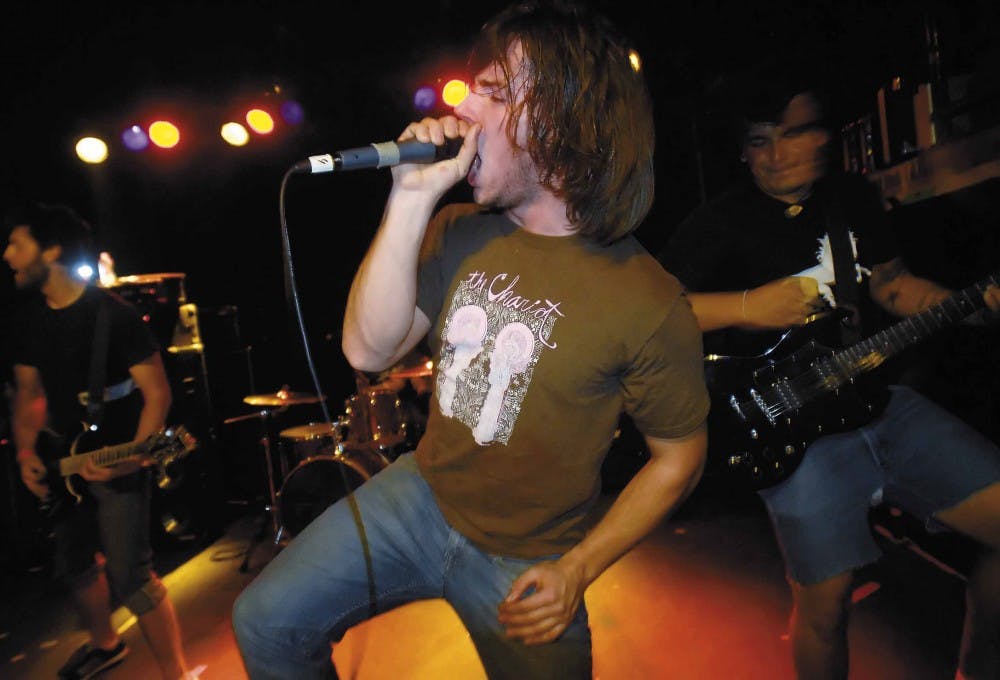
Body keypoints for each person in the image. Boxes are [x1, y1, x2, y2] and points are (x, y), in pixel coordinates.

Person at [232, 1, 709, 678]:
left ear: (568, 118)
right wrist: (409, 199)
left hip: (529, 558)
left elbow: (679, 458)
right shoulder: (458, 230)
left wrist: (578, 568)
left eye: (495, 92)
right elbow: (366, 352)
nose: (462, 107)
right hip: (418, 499)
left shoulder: (647, 298)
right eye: (470, 86)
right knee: (267, 622)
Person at [658, 79, 1000, 680]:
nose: (776, 155)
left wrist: (972, 304)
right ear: (742, 150)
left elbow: (892, 285)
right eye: (759, 142)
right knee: (825, 609)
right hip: (795, 439)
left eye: (792, 135)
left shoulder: (852, 198)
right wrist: (745, 306)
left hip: (881, 403)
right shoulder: (717, 223)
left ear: (822, 135)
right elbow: (651, 314)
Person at [3, 202, 191, 680]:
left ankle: (177, 673)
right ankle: (105, 645)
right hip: (57, 464)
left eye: (17, 244)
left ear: (52, 250)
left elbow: (157, 395)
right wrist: (26, 452)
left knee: (131, 576)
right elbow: (29, 394)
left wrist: (137, 459)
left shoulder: (113, 316)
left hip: (117, 460)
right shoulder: (28, 321)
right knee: (75, 565)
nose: (7, 255)